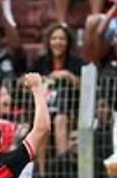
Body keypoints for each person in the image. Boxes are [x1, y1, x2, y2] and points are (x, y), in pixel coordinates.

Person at [28, 23, 82, 160]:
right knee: (42, 123)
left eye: (62, 39)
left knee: (60, 119)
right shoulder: (41, 62)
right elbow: (24, 80)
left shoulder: (76, 63)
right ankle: (41, 173)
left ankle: (62, 165)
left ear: (68, 42)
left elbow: (85, 86)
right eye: (54, 38)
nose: (58, 42)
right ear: (49, 42)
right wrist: (45, 79)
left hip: (69, 110)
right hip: (44, 108)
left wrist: (70, 76)